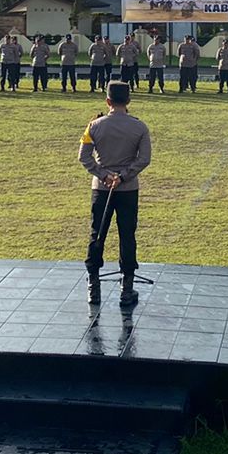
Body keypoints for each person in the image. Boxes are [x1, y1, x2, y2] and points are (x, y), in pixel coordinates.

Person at [78, 82, 152, 307]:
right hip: (128, 189)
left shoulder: (94, 126)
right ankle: (127, 289)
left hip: (101, 189)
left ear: (107, 101)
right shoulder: (139, 127)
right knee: (127, 235)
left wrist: (104, 175)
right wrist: (124, 176)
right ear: (128, 101)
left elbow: (84, 157)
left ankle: (94, 286)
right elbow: (144, 158)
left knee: (97, 233)